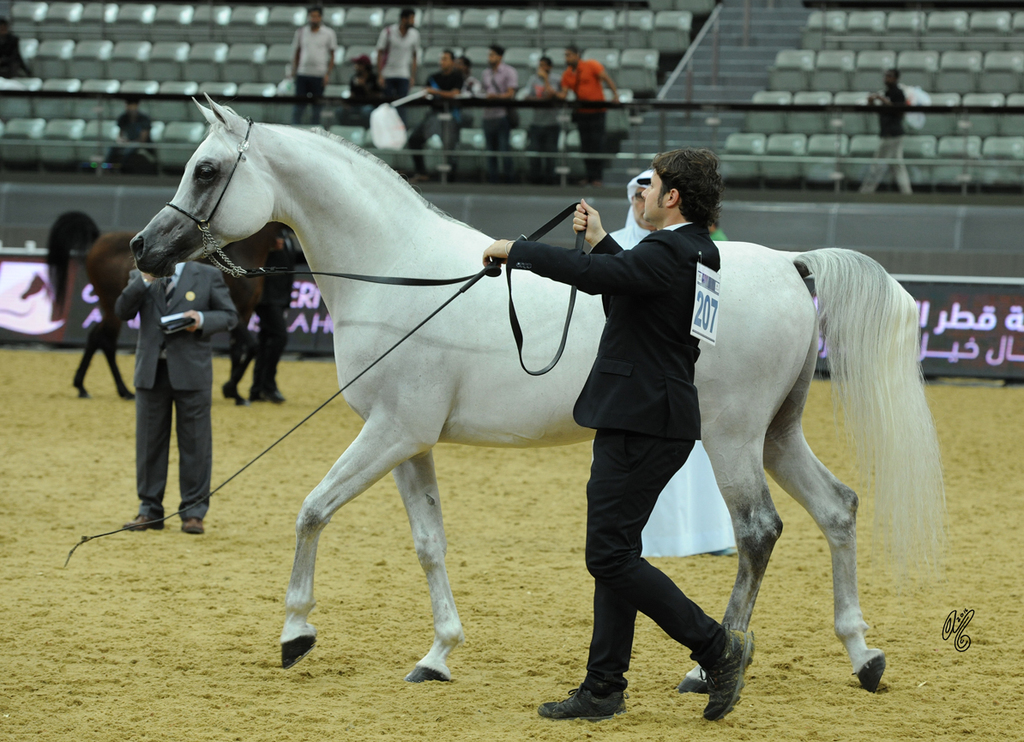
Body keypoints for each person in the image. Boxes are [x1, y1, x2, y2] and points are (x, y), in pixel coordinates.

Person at [481, 148, 754, 722]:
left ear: (672, 196)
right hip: (657, 416)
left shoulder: (669, 250)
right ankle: (604, 686)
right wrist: (605, 239)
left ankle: (715, 647)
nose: (645, 194)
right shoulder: (697, 251)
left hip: (641, 420)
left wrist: (518, 251)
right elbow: (629, 286)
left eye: (651, 185)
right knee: (616, 553)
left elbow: (597, 276)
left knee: (608, 555)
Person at [611, 171, 737, 559]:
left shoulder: (687, 248)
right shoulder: (616, 243)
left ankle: (710, 534)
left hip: (676, 373)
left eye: (649, 192)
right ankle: (653, 540)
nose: (642, 201)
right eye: (638, 194)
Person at [115, 261, 238, 535]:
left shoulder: (208, 275)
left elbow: (230, 316)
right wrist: (144, 279)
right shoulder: (140, 275)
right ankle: (149, 510)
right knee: (148, 444)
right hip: (151, 373)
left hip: (192, 373)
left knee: (195, 444)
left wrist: (202, 320)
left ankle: (193, 512)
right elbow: (122, 310)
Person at [557, 45, 619, 187]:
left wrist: (615, 94)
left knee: (597, 144)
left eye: (569, 55)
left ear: (577, 55)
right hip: (582, 113)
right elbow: (564, 93)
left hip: (597, 111)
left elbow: (606, 78)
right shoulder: (567, 74)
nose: (567, 58)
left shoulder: (591, 65)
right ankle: (589, 176)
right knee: (585, 146)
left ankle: (598, 177)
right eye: (565, 55)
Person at [250, 230, 296, 404]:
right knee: (279, 337)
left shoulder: (287, 236)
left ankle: (257, 388)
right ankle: (268, 386)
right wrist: (268, 247)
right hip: (267, 297)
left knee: (265, 341)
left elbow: (293, 260)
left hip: (279, 297)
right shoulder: (267, 234)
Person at [407, 49, 464, 183]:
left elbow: (455, 94)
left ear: (452, 61)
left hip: (450, 116)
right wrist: (427, 94)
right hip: (433, 116)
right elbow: (427, 93)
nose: (441, 62)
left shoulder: (457, 77)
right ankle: (422, 172)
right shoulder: (433, 77)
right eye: (440, 59)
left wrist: (435, 91)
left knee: (450, 147)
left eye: (445, 59)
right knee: (414, 139)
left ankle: (451, 179)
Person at [859, 69, 912, 195]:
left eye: (889, 76)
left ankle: (865, 192)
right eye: (885, 76)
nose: (886, 78)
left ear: (896, 78)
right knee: (898, 166)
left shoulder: (898, 93)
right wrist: (871, 102)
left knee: (877, 165)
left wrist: (883, 100)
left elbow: (899, 112)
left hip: (893, 134)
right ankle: (907, 193)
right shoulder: (886, 93)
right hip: (887, 132)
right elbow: (881, 111)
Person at [291, 6, 337, 126]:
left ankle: (315, 130)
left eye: (316, 16)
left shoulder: (328, 33)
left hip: (319, 74)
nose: (314, 19)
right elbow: (297, 52)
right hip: (303, 73)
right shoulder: (301, 32)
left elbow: (332, 55)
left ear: (321, 17)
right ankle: (296, 128)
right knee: (299, 106)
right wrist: (294, 71)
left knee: (317, 107)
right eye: (312, 16)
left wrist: (327, 74)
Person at [481, 44, 518, 184]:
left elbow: (510, 93)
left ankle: (508, 180)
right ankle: (493, 180)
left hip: (502, 115)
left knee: (504, 149)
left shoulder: (509, 72)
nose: (489, 58)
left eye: (492, 55)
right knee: (490, 151)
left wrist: (494, 97)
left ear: (500, 57)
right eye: (489, 55)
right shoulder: (486, 73)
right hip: (487, 116)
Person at [522, 56, 561, 185]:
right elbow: (527, 96)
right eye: (540, 65)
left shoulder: (556, 79)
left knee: (550, 155)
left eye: (544, 65)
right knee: (534, 153)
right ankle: (535, 180)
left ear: (549, 67)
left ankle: (551, 181)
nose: (541, 68)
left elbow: (551, 95)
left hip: (552, 123)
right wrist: (541, 101)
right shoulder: (533, 79)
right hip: (536, 123)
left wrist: (545, 79)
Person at [375, 8, 420, 107]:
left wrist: (412, 77)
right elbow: (380, 53)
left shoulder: (415, 35)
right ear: (404, 19)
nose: (413, 21)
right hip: (388, 73)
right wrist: (380, 75)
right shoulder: (388, 32)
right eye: (412, 18)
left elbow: (415, 56)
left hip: (404, 74)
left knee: (402, 105)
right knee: (387, 105)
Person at [107, 97, 153, 172]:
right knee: (113, 147)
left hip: (141, 144)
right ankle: (108, 168)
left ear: (137, 106)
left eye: (133, 105)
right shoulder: (123, 117)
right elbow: (120, 135)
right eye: (128, 105)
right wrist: (121, 140)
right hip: (128, 142)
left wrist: (130, 143)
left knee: (130, 149)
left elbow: (143, 139)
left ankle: (123, 169)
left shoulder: (144, 118)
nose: (130, 108)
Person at [339, 54, 382, 126]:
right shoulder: (354, 78)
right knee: (340, 111)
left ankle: (367, 130)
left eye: (359, 64)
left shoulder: (374, 78)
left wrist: (364, 86)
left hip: (370, 105)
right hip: (356, 105)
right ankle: (346, 129)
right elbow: (352, 94)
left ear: (365, 66)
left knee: (366, 111)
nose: (356, 66)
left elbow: (377, 96)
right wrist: (347, 104)